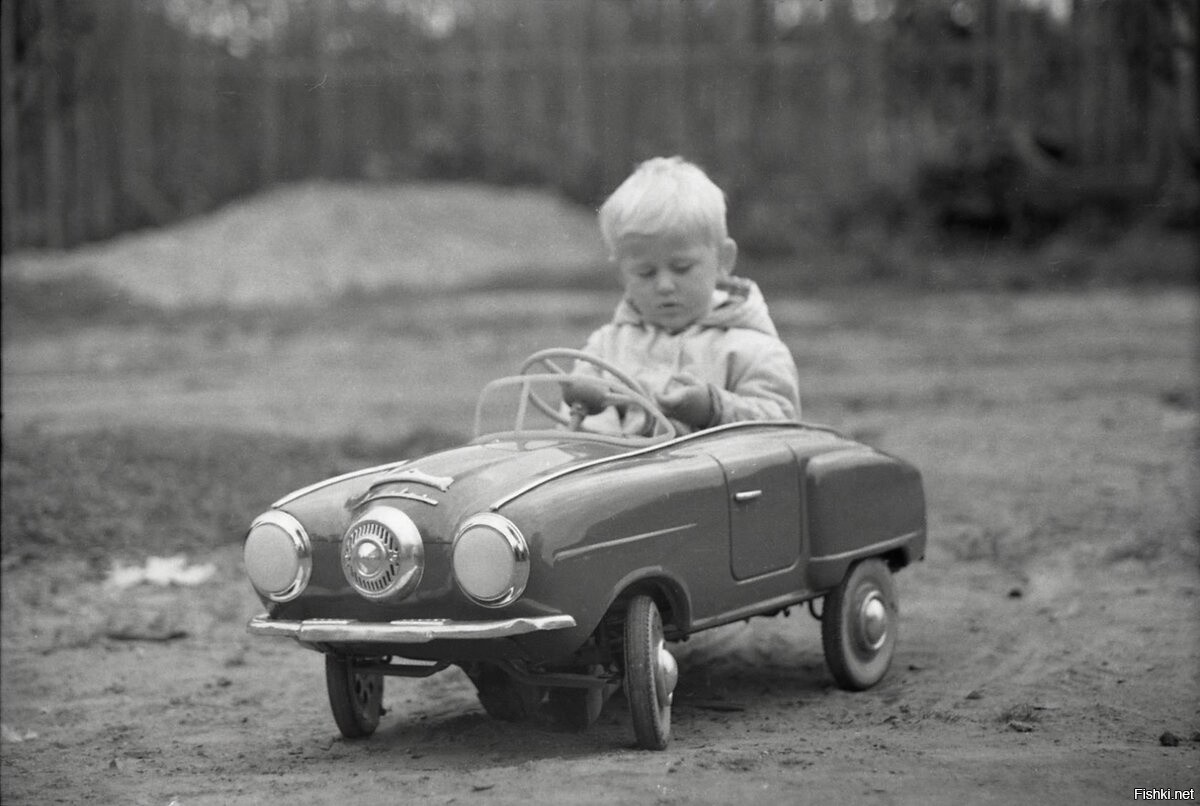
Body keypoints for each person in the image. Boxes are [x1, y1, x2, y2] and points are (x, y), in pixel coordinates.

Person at [565, 156, 800, 436]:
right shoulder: (604, 348)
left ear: (724, 259)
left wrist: (712, 409)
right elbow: (572, 435)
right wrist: (584, 405)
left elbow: (784, 426)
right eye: (645, 273)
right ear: (621, 274)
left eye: (682, 268)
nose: (664, 285)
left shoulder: (757, 350)